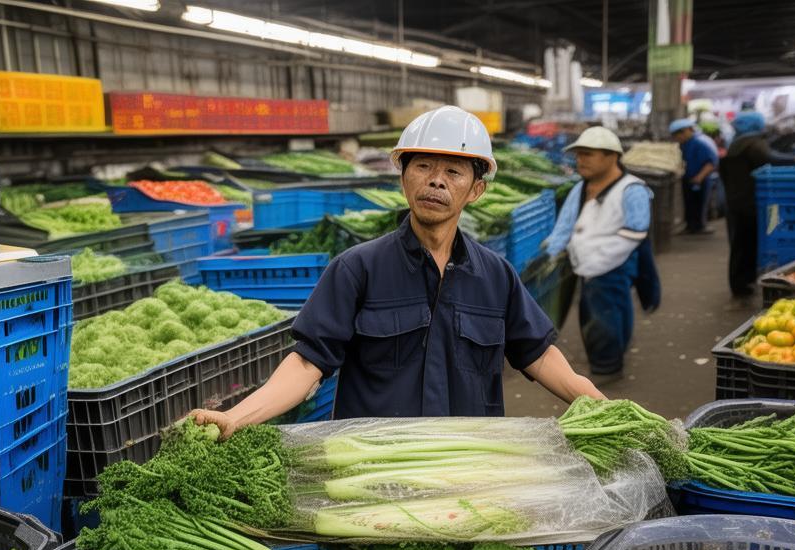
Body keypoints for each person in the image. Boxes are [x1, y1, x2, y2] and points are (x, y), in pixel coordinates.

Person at [192, 106, 604, 437]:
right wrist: (237, 416)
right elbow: (306, 364)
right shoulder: (357, 269)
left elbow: (539, 354)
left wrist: (603, 407)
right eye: (423, 166)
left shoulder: (495, 276)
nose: (436, 182)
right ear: (403, 177)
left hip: (471, 464)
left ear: (475, 190)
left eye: (454, 172)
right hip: (377, 470)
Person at [542, 126, 661, 379]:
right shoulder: (581, 188)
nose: (580, 160)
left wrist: (597, 261)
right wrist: (551, 250)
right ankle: (608, 358)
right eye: (578, 155)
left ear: (611, 156)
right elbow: (566, 224)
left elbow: (635, 234)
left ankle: (608, 367)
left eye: (587, 154)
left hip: (614, 264)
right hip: (587, 265)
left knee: (607, 314)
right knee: (597, 312)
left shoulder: (632, 190)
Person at [718, 110, 795, 299]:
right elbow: (770, 158)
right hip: (747, 202)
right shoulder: (752, 143)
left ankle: (742, 281)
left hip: (737, 200)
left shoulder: (738, 142)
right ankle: (740, 284)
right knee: (744, 243)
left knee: (741, 243)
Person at [670, 117, 720, 234]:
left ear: (687, 130)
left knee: (700, 203)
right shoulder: (687, 143)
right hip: (689, 178)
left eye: (678, 135)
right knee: (690, 204)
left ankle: (700, 226)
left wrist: (700, 177)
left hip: (700, 179)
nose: (677, 138)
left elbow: (711, 162)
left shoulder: (700, 142)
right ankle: (691, 226)